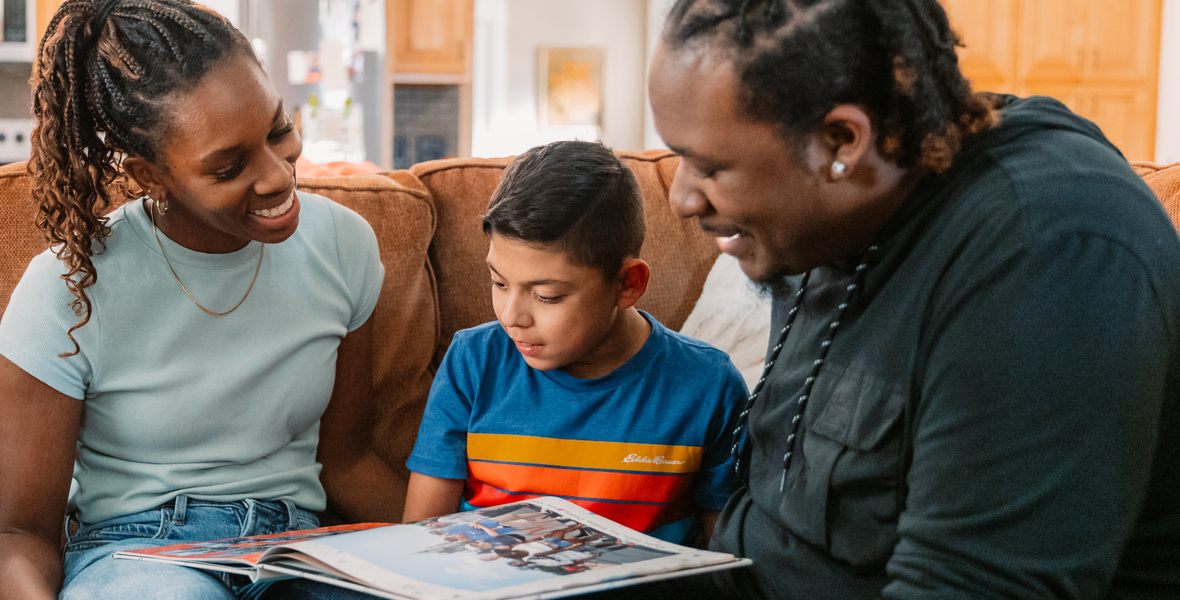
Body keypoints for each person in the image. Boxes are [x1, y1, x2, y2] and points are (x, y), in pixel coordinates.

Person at [641, 0, 1180, 598]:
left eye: (709, 166)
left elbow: (973, 587)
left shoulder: (1047, 245)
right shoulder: (835, 209)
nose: (683, 198)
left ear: (842, 140)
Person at [0, 1, 405, 598]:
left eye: (278, 130)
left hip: (298, 552)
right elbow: (20, 531)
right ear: (150, 175)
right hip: (140, 555)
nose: (279, 176)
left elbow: (348, 461)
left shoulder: (343, 246)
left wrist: (473, 544)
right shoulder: (68, 290)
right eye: (229, 167)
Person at [402, 140, 748, 546]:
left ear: (627, 284)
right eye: (499, 282)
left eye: (547, 296)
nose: (512, 315)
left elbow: (725, 560)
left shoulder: (708, 385)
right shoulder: (473, 362)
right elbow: (419, 541)